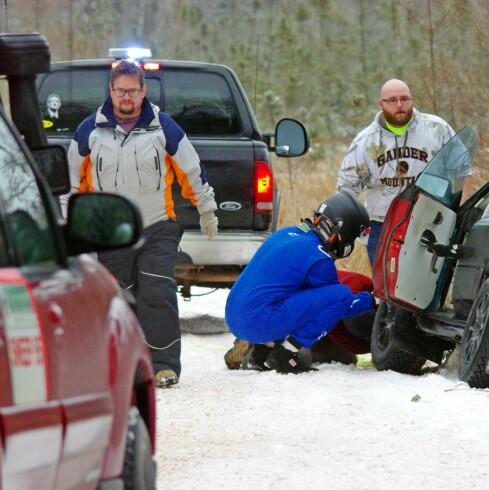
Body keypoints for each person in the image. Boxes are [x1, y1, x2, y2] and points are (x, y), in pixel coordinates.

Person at [67, 59, 218, 388]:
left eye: (132, 91)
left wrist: (206, 209)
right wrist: (68, 224)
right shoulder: (88, 132)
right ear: (110, 90)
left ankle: (163, 365)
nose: (126, 97)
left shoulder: (164, 129)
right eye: (120, 90)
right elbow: (72, 185)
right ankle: (114, 365)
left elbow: (191, 170)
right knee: (113, 297)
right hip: (108, 232)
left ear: (143, 91)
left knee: (157, 291)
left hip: (157, 226)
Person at [224, 192, 374, 373]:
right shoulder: (319, 259)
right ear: (342, 232)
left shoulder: (287, 233)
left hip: (234, 316)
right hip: (259, 320)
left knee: (289, 292)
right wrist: (372, 300)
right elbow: (340, 304)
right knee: (339, 295)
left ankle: (261, 351)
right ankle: (287, 352)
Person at [337, 78, 456, 265]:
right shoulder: (365, 142)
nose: (399, 105)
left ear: (412, 99)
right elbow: (347, 189)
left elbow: (461, 169)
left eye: (405, 99)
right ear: (381, 104)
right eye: (392, 100)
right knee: (385, 290)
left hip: (431, 222)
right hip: (383, 225)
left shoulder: (437, 129)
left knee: (427, 289)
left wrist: (458, 209)